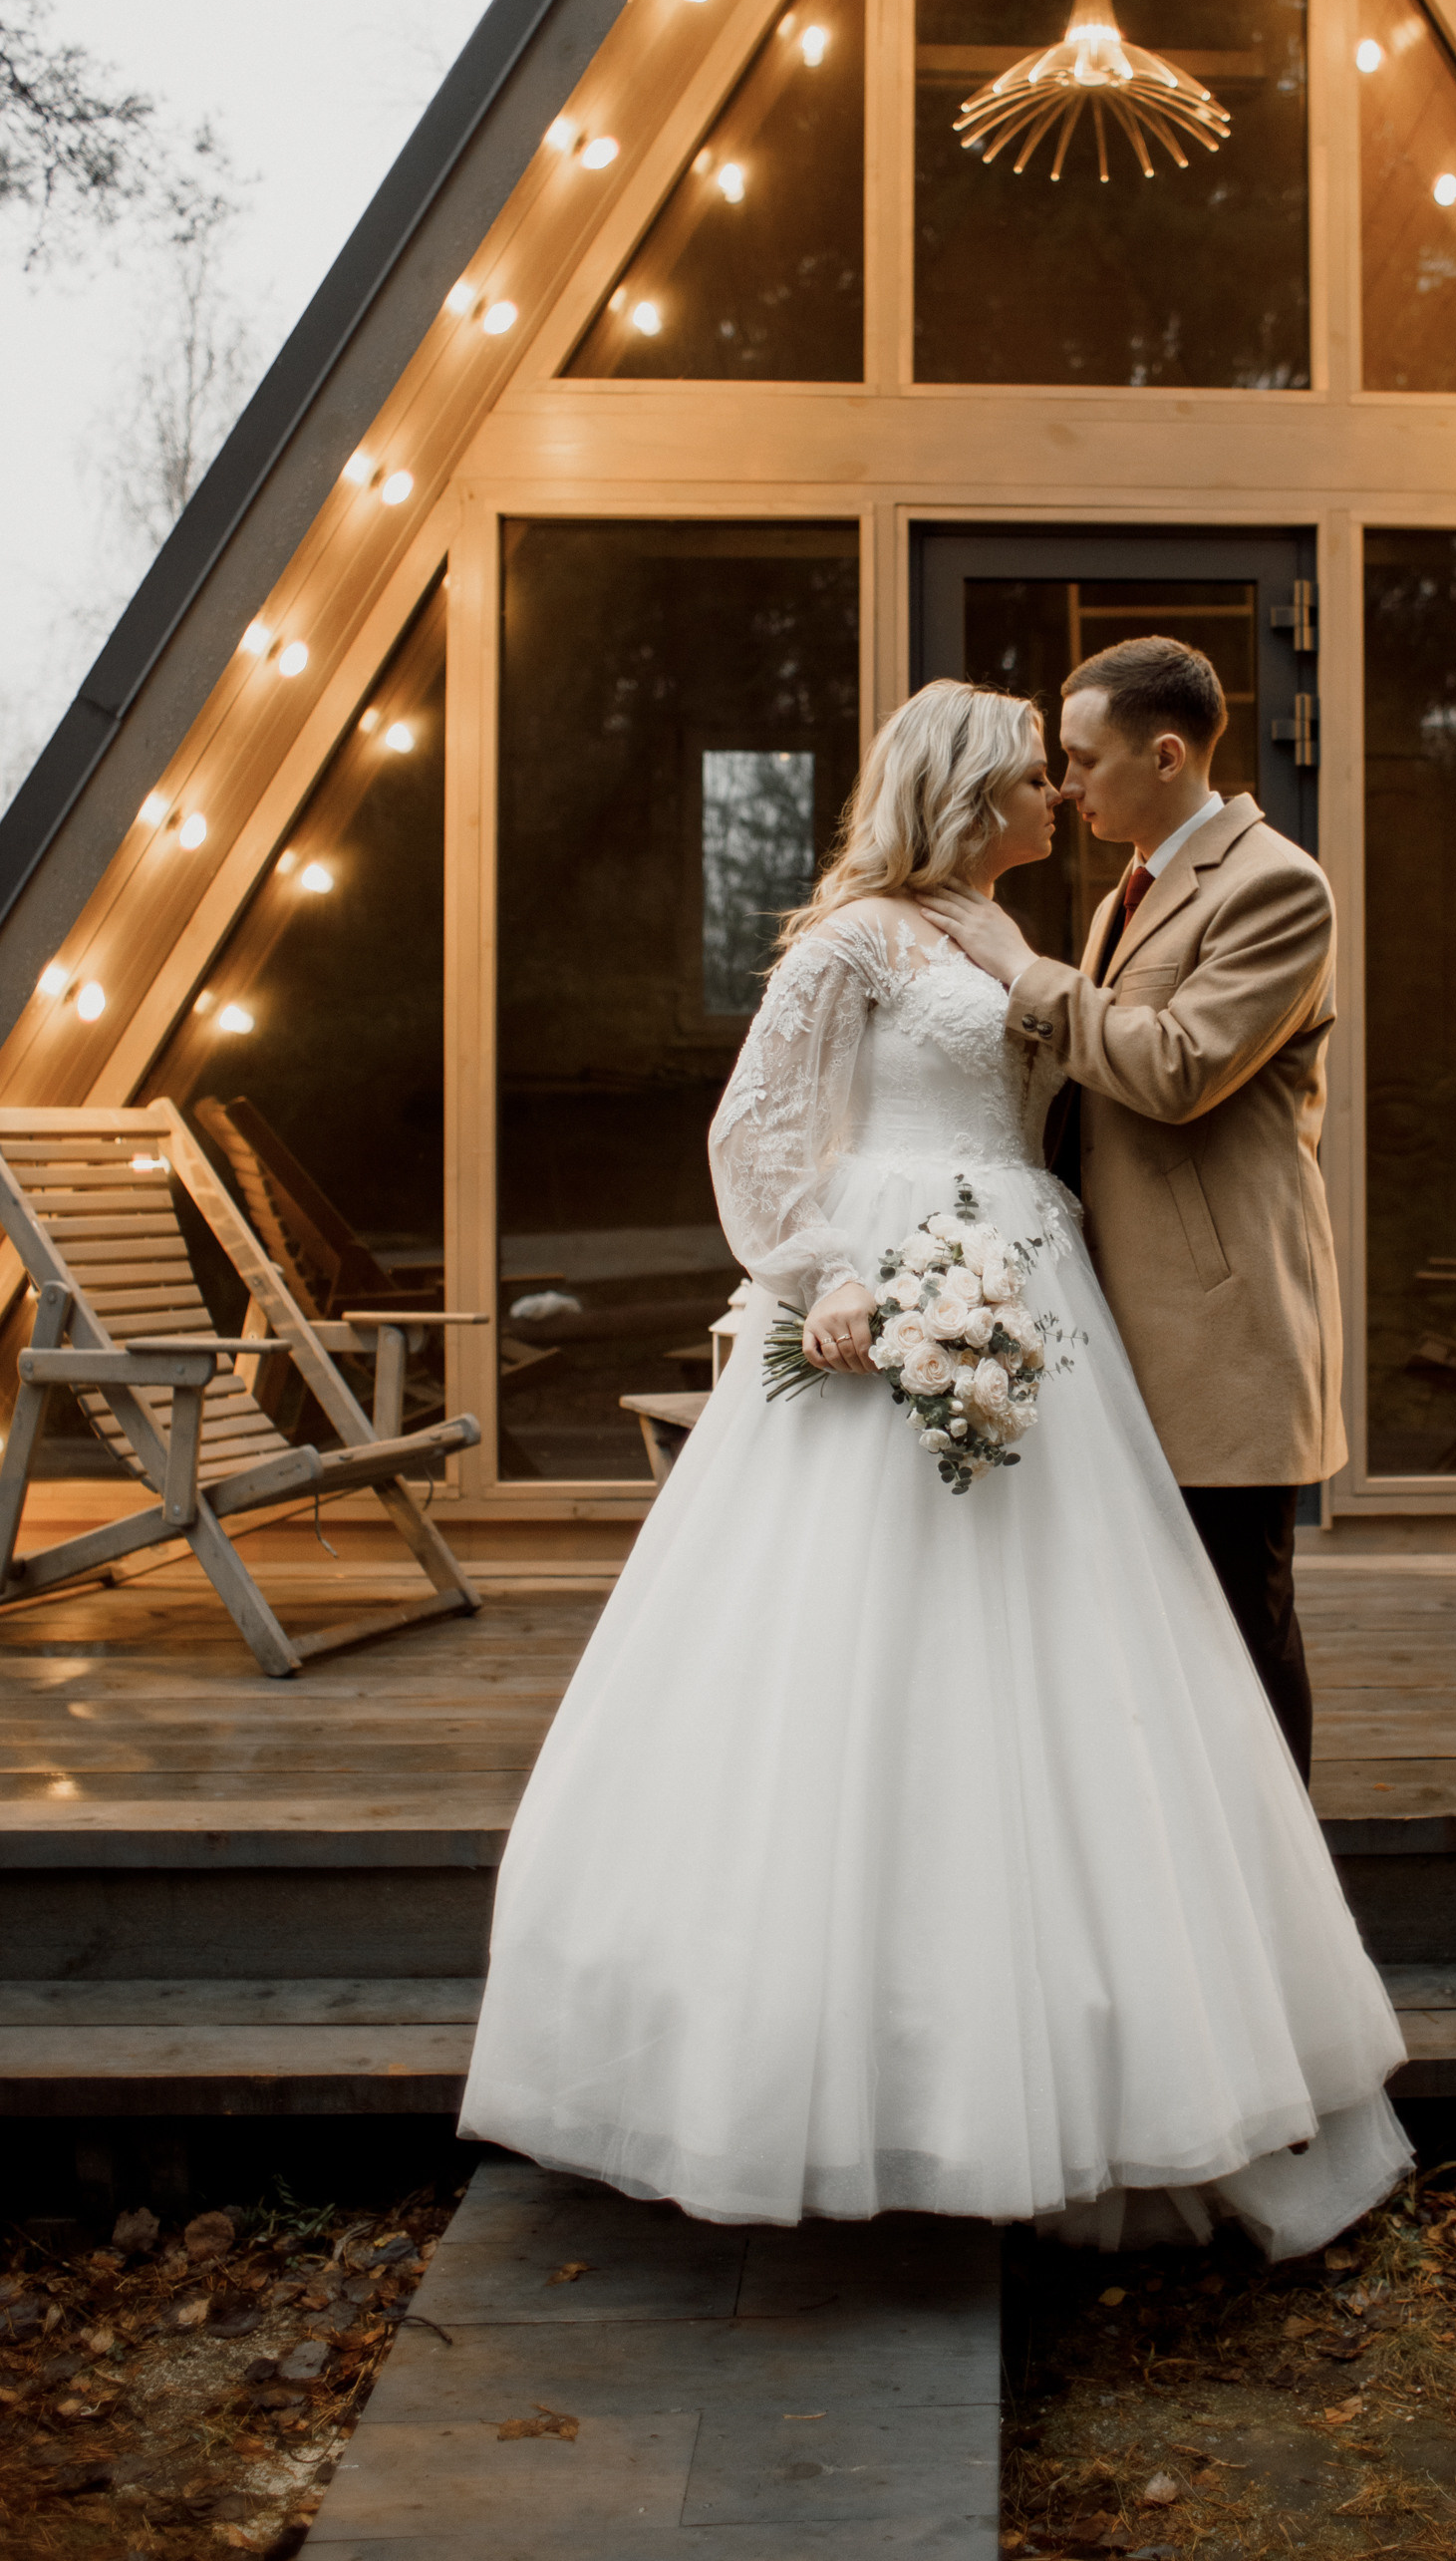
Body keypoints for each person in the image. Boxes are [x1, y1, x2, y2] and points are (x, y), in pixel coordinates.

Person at [460, 681, 1407, 2257]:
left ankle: (1101, 2026)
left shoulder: (1038, 932)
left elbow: (1115, 1086)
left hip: (1041, 1293)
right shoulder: (855, 939)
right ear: (976, 797)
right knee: (845, 1650)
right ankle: (833, 2056)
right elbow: (754, 1134)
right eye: (1040, 776)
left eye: (1071, 766)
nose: (1062, 792)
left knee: (1075, 1647)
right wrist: (829, 1269)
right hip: (885, 1293)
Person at [926, 637, 1340, 1782]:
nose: (1061, 785)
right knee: (1157, 1628)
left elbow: (1173, 1068)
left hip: (1223, 1328)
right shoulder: (1130, 888)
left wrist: (1019, 968)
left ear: (1166, 755)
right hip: (1120, 1317)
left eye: (1081, 758)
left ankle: (1276, 1903)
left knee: (1239, 1626)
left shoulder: (1277, 886)